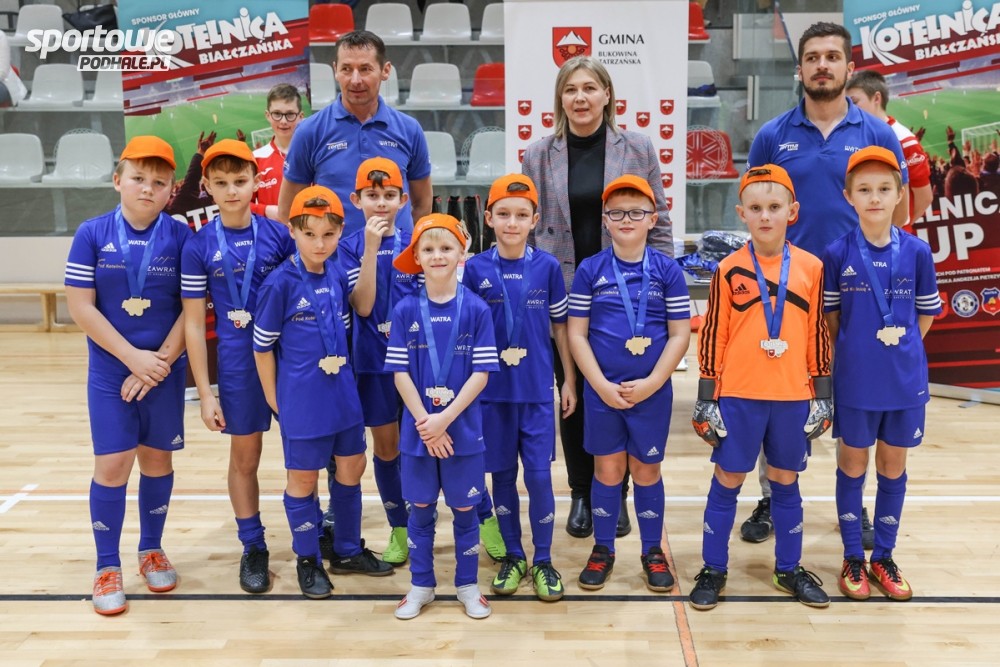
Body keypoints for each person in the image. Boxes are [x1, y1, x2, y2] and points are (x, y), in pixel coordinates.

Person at [742, 21, 909, 543]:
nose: (822, 65)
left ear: (849, 67)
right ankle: (772, 497)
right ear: (800, 69)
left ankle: (853, 506)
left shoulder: (877, 134)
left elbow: (897, 210)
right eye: (812, 57)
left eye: (832, 57)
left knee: (852, 394)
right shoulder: (773, 135)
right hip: (789, 289)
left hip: (859, 290)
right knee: (778, 393)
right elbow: (757, 205)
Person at [521, 55, 674, 540]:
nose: (580, 98)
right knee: (574, 393)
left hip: (624, 294)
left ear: (607, 95)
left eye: (590, 88)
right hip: (564, 292)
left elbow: (659, 220)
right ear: (560, 99)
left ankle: (617, 490)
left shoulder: (638, 147)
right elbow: (529, 229)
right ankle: (582, 491)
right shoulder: (538, 154)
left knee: (621, 389)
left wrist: (659, 281)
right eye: (571, 90)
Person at [688, 164, 833, 611]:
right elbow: (713, 334)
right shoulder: (728, 269)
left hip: (792, 396)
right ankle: (713, 568)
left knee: (785, 480)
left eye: (774, 207)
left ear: (793, 211)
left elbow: (817, 333)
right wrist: (706, 398)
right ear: (741, 213)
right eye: (755, 208)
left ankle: (788, 568)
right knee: (728, 478)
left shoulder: (811, 267)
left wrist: (822, 394)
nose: (765, 216)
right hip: (738, 395)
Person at [64, 136, 192, 615]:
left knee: (157, 461)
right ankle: (106, 565)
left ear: (172, 190)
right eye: (138, 178)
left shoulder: (182, 237)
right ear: (118, 180)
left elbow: (192, 311)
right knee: (114, 464)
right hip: (111, 371)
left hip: (164, 368)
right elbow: (81, 308)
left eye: (159, 182)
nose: (147, 188)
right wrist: (133, 359)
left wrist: (158, 363)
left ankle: (151, 548)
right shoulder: (92, 233)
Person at [253, 186, 392, 600]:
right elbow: (261, 348)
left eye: (328, 235)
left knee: (352, 467)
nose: (319, 244)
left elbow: (361, 307)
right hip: (301, 399)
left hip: (343, 393)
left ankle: (346, 550)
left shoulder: (337, 272)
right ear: (293, 231)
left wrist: (369, 251)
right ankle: (308, 559)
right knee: (302, 479)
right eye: (309, 234)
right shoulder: (279, 283)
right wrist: (275, 400)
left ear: (340, 233)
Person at [823, 146, 942, 601]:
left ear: (899, 195)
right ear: (848, 196)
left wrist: (901, 346)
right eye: (864, 189)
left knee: (893, 467)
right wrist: (859, 350)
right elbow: (833, 320)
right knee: (852, 465)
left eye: (884, 189)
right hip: (856, 381)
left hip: (904, 382)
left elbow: (924, 316)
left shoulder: (917, 252)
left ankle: (884, 556)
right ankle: (854, 555)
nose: (874, 198)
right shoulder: (837, 253)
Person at [180, 139, 295, 594]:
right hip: (236, 368)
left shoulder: (279, 235)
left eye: (240, 181)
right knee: (245, 457)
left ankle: (313, 536)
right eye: (222, 183)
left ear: (256, 182)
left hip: (287, 361)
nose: (232, 191)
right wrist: (205, 392)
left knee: (306, 455)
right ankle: (253, 546)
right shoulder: (198, 245)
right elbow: (193, 325)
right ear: (206, 187)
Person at [567, 175, 690, 592]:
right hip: (603, 392)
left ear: (653, 219)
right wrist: (600, 385)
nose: (626, 219)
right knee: (608, 469)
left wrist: (654, 381)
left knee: (646, 469)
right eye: (617, 212)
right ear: (604, 219)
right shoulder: (590, 269)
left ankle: (653, 551)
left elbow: (680, 334)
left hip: (651, 393)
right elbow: (576, 334)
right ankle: (603, 549)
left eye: (636, 212)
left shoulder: (667, 270)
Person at [462, 174, 576, 601]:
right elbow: (466, 334)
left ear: (535, 220)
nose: (512, 223)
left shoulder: (547, 267)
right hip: (491, 395)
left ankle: (543, 559)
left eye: (521, 215)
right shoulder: (475, 269)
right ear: (489, 218)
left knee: (540, 477)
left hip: (535, 393)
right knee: (503, 477)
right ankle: (514, 555)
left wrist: (568, 380)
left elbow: (561, 329)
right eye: (504, 214)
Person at [384, 214, 499, 620]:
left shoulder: (477, 310)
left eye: (446, 248)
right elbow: (399, 374)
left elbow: (481, 374)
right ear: (416, 256)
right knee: (420, 509)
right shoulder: (404, 310)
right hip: (419, 432)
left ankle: (467, 585)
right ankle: (421, 585)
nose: (437, 255)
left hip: (462, 431)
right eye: (428, 249)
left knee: (466, 511)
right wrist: (426, 424)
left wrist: (444, 420)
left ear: (461, 253)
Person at [337, 157, 421, 566]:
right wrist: (371, 249)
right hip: (373, 365)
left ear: (403, 199)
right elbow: (364, 306)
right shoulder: (348, 247)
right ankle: (399, 528)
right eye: (372, 196)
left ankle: (464, 519)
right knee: (387, 448)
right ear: (357, 200)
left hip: (419, 365)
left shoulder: (417, 243)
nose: (382, 203)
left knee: (431, 442)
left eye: (389, 195)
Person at [278, 30, 432, 236]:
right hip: (334, 255)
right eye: (346, 69)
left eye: (365, 69)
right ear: (335, 70)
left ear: (385, 71)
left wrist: (404, 245)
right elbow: (287, 210)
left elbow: (422, 204)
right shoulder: (309, 131)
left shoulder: (410, 129)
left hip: (397, 255)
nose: (355, 80)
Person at [845, 70, 933, 226]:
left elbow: (924, 197)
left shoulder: (904, 140)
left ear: (876, 98)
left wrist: (899, 229)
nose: (849, 108)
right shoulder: (852, 136)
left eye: (854, 102)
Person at [252, 83, 304, 220]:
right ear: (268, 115)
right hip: (273, 233)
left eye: (290, 114)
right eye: (277, 114)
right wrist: (265, 210)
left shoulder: (314, 154)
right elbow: (242, 205)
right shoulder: (255, 159)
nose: (283, 121)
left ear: (301, 116)